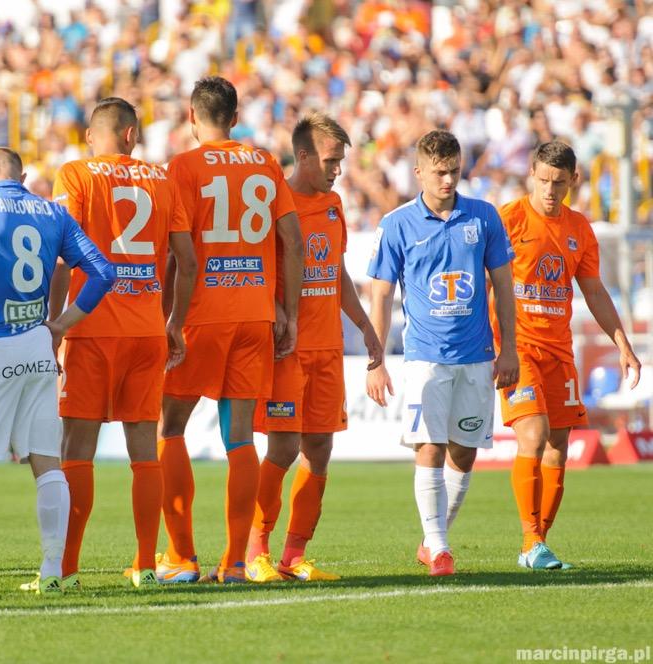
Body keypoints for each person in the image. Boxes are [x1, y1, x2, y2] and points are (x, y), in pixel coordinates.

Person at [0, 148, 114, 598]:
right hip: (37, 345)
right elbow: (103, 272)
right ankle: (51, 572)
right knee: (47, 461)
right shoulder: (54, 212)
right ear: (23, 176)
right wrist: (62, 324)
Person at [157, 76, 304, 584]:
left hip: (201, 314)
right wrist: (288, 312)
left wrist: (169, 318)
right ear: (235, 118)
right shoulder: (265, 162)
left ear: (191, 117)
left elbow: (179, 254)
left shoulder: (184, 166)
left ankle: (182, 557)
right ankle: (236, 562)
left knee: (169, 426)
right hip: (256, 313)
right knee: (240, 437)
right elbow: (293, 241)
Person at [48, 97, 197, 589]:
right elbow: (187, 261)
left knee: (77, 449)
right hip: (147, 331)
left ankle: (67, 570)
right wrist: (174, 322)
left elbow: (62, 257)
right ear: (132, 135)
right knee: (144, 451)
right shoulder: (162, 179)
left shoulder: (75, 175)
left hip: (91, 328)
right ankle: (146, 566)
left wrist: (55, 323)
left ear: (96, 135)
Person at [366, 129, 519, 577]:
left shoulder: (484, 216)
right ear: (419, 172)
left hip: (477, 355)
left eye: (454, 171)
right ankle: (439, 548)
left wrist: (508, 349)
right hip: (424, 356)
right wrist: (376, 361)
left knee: (465, 452)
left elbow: (503, 286)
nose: (448, 180)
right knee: (429, 446)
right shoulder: (396, 224)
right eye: (439, 173)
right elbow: (380, 296)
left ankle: (432, 540)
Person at [246, 113, 384, 583]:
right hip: (287, 350)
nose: (337, 170)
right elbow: (260, 273)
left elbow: (336, 273)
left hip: (328, 348)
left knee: (319, 449)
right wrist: (277, 317)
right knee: (283, 447)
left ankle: (294, 556)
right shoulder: (273, 205)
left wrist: (364, 325)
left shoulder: (334, 204)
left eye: (340, 161)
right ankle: (255, 550)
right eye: (330, 161)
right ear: (302, 155)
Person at [497, 141, 641, 570]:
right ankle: (531, 541)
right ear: (531, 174)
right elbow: (485, 281)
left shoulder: (579, 228)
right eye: (543, 180)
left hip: (559, 352)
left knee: (558, 446)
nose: (549, 190)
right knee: (533, 433)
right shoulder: (508, 219)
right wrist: (493, 346)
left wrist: (623, 344)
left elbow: (593, 291)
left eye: (558, 182)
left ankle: (537, 544)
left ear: (573, 181)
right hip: (518, 348)